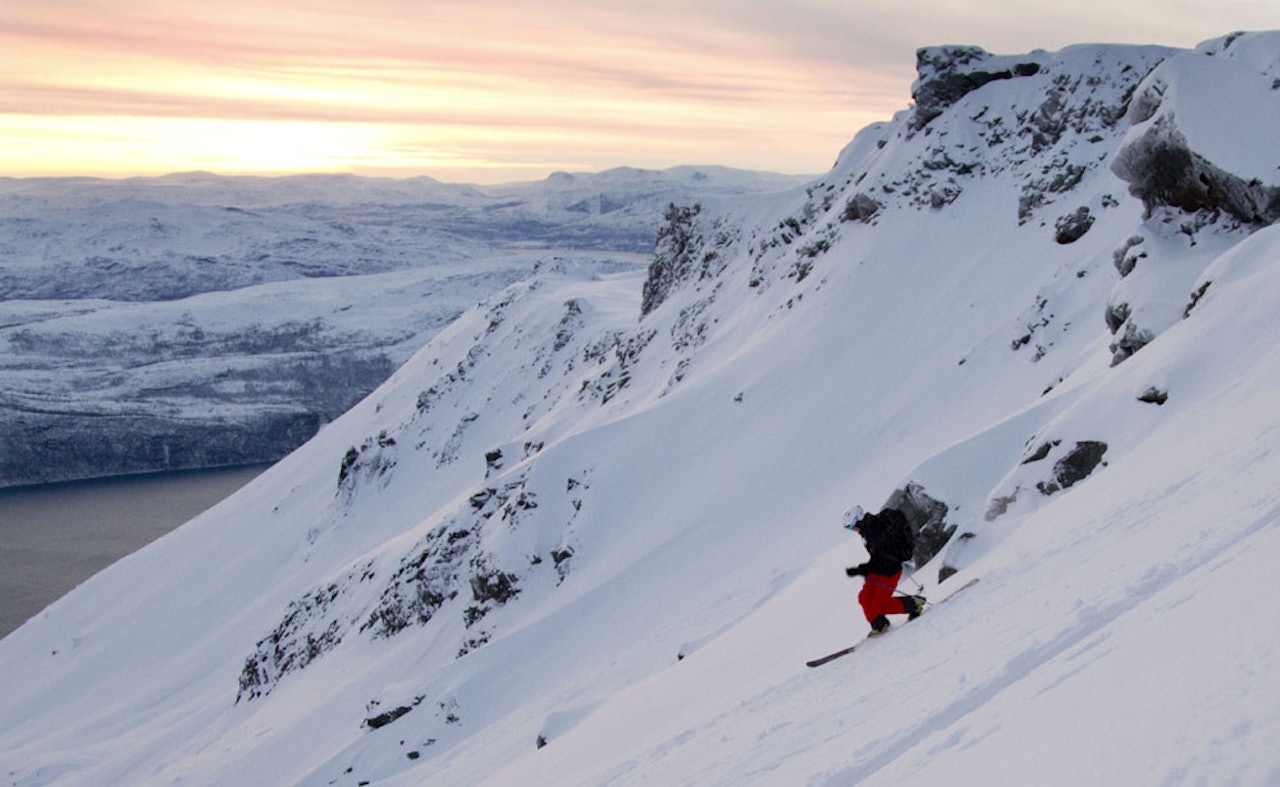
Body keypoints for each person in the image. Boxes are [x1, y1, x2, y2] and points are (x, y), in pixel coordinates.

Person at [842, 505, 926, 635]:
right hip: (879, 571)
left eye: (852, 526)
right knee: (864, 598)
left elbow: (884, 558)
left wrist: (861, 569)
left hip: (890, 572)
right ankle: (880, 625)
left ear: (859, 520)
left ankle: (914, 604)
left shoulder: (875, 532)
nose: (854, 530)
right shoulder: (868, 531)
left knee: (879, 605)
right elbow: (877, 558)